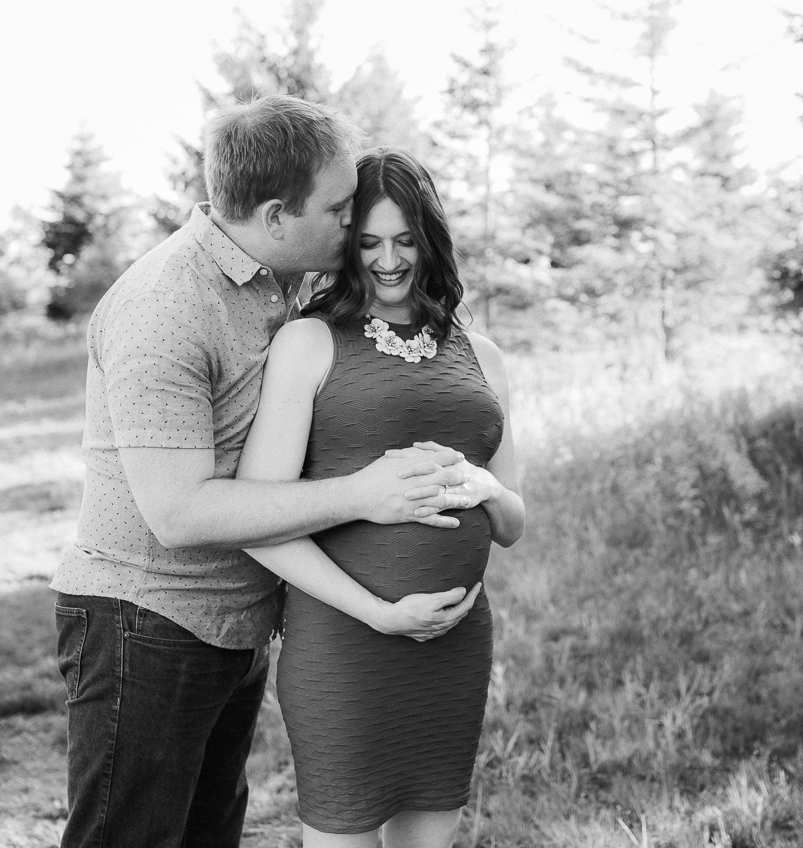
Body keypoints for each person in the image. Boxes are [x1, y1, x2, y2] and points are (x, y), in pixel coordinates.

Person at [49, 97, 485, 848]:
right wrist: (362, 495)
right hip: (148, 622)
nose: (354, 226)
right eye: (341, 208)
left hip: (231, 623)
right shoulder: (167, 305)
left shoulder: (276, 280)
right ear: (278, 214)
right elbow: (178, 514)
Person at [237, 146, 526, 848]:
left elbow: (513, 522)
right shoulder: (309, 342)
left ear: (430, 240)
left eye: (404, 241)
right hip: (346, 645)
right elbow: (258, 519)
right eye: (367, 243)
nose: (388, 260)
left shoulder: (481, 354)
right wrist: (379, 613)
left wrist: (487, 487)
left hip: (455, 645)